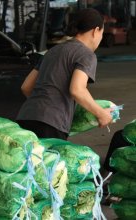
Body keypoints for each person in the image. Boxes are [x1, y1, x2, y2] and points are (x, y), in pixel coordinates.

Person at [16, 8, 113, 140]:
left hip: (26, 117)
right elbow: (77, 90)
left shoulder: (52, 50)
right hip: (51, 124)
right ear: (96, 31)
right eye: (102, 32)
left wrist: (41, 109)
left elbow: (26, 87)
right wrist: (101, 113)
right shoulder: (86, 54)